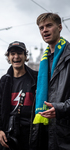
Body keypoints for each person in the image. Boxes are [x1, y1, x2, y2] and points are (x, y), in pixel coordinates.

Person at [32, 12, 70, 150]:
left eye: (49, 25)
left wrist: (61, 109)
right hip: (45, 131)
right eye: (41, 28)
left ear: (60, 27)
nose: (44, 30)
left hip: (65, 132)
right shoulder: (43, 61)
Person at [0, 41, 38, 150]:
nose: (16, 57)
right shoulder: (4, 80)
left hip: (32, 134)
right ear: (8, 57)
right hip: (11, 133)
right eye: (12, 54)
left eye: (19, 53)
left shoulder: (35, 78)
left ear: (25, 56)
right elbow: (0, 108)